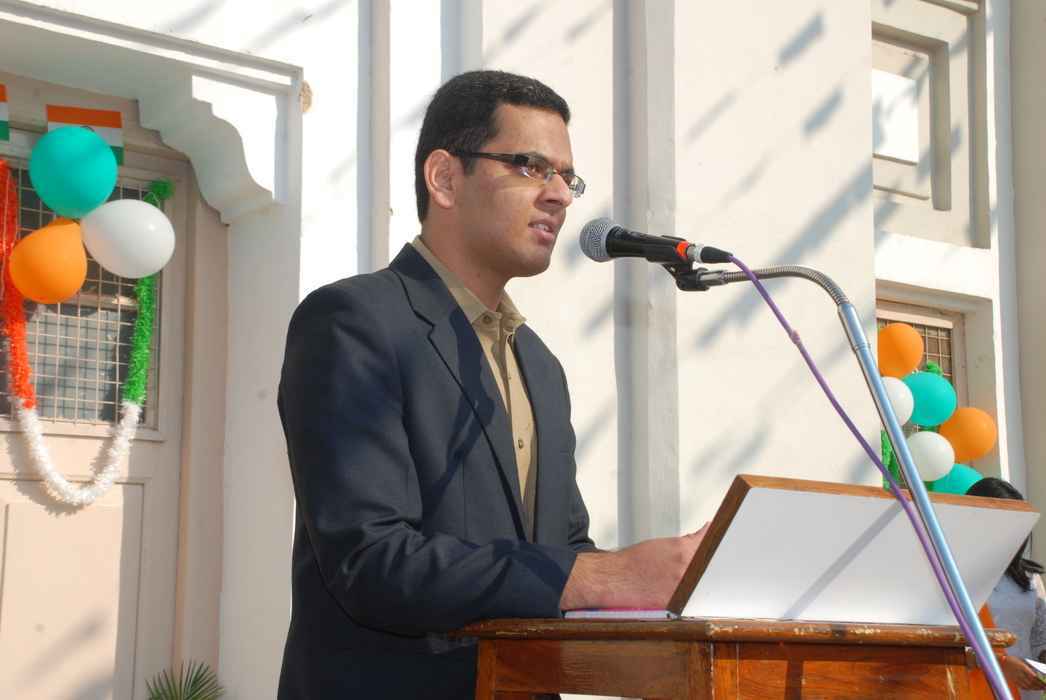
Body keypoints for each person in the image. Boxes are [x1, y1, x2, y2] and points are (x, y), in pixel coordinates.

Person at [276, 70, 706, 699]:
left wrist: (671, 586)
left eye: (567, 177)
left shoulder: (540, 365)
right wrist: (601, 577)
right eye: (532, 166)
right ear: (445, 178)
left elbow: (561, 548)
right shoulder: (353, 321)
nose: (559, 196)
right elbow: (370, 560)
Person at [966, 477, 1046, 698]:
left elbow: (1039, 637)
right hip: (975, 689)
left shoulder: (1029, 577)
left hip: (1025, 693)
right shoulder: (949, 575)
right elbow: (943, 644)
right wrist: (1001, 663)